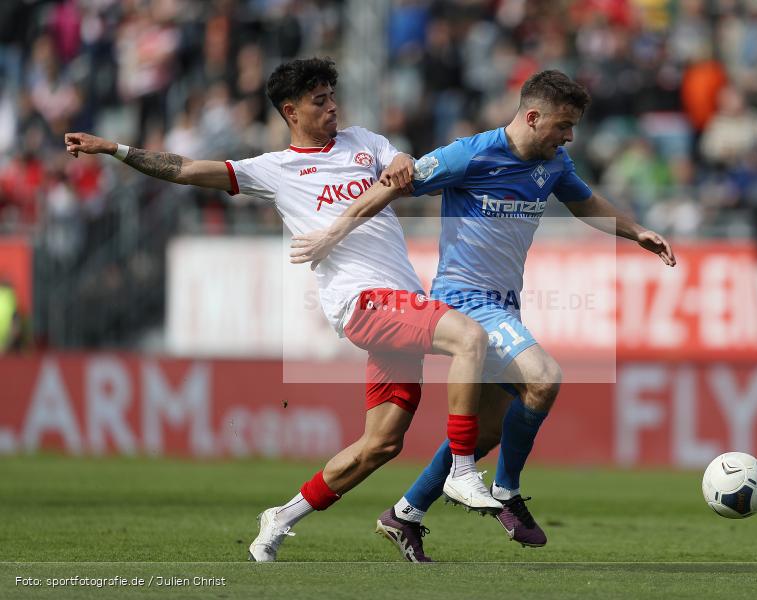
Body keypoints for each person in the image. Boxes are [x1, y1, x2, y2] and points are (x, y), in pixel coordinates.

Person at [63, 57, 501, 563]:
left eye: (333, 96)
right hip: (364, 303)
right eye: (320, 101)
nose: (333, 106)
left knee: (382, 444)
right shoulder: (273, 169)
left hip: (400, 303)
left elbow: (396, 157)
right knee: (469, 337)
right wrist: (114, 148)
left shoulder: (364, 141)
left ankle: (280, 518)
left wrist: (402, 157)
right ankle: (463, 471)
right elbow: (184, 169)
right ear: (291, 111)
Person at [289, 70, 676, 562]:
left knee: (490, 428)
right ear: (532, 117)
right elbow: (392, 187)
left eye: (573, 127)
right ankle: (508, 492)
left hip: (505, 303)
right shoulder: (469, 154)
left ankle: (405, 513)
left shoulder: (554, 163)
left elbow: (586, 204)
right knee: (545, 378)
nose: (569, 136)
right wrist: (332, 234)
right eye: (563, 125)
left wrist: (636, 231)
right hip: (464, 299)